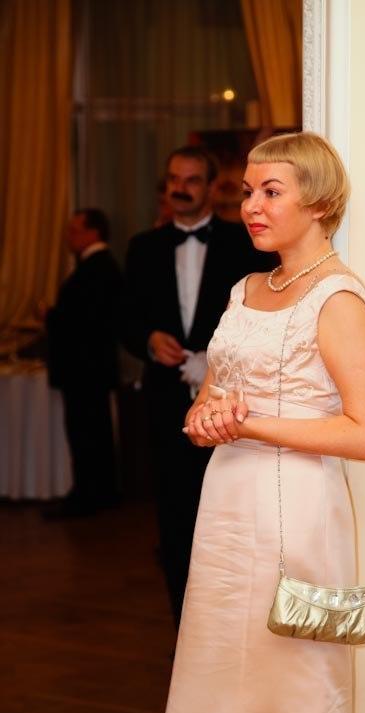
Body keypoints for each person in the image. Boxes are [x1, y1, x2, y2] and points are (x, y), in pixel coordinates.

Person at [149, 131, 365, 713]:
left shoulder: (337, 298)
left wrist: (246, 424)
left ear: (319, 203)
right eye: (248, 191)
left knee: (292, 681)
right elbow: (213, 395)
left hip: (298, 513)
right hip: (225, 505)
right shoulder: (244, 289)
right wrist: (205, 417)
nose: (252, 206)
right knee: (217, 670)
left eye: (271, 192)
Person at [120, 145, 275, 629]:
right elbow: (124, 319)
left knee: (233, 517)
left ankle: (234, 625)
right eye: (174, 179)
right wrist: (148, 340)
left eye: (191, 180)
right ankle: (184, 628)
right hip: (166, 404)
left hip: (233, 407)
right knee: (174, 519)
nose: (180, 188)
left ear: (211, 188)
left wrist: (218, 359)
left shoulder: (245, 243)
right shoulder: (143, 247)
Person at [43, 208, 122, 518]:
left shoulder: (96, 268)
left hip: (84, 370)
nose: (69, 237)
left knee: (87, 434)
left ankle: (89, 495)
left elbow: (85, 321)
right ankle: (97, 492)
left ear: (93, 232)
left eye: (74, 230)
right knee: (93, 431)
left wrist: (51, 316)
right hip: (90, 370)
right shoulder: (98, 266)